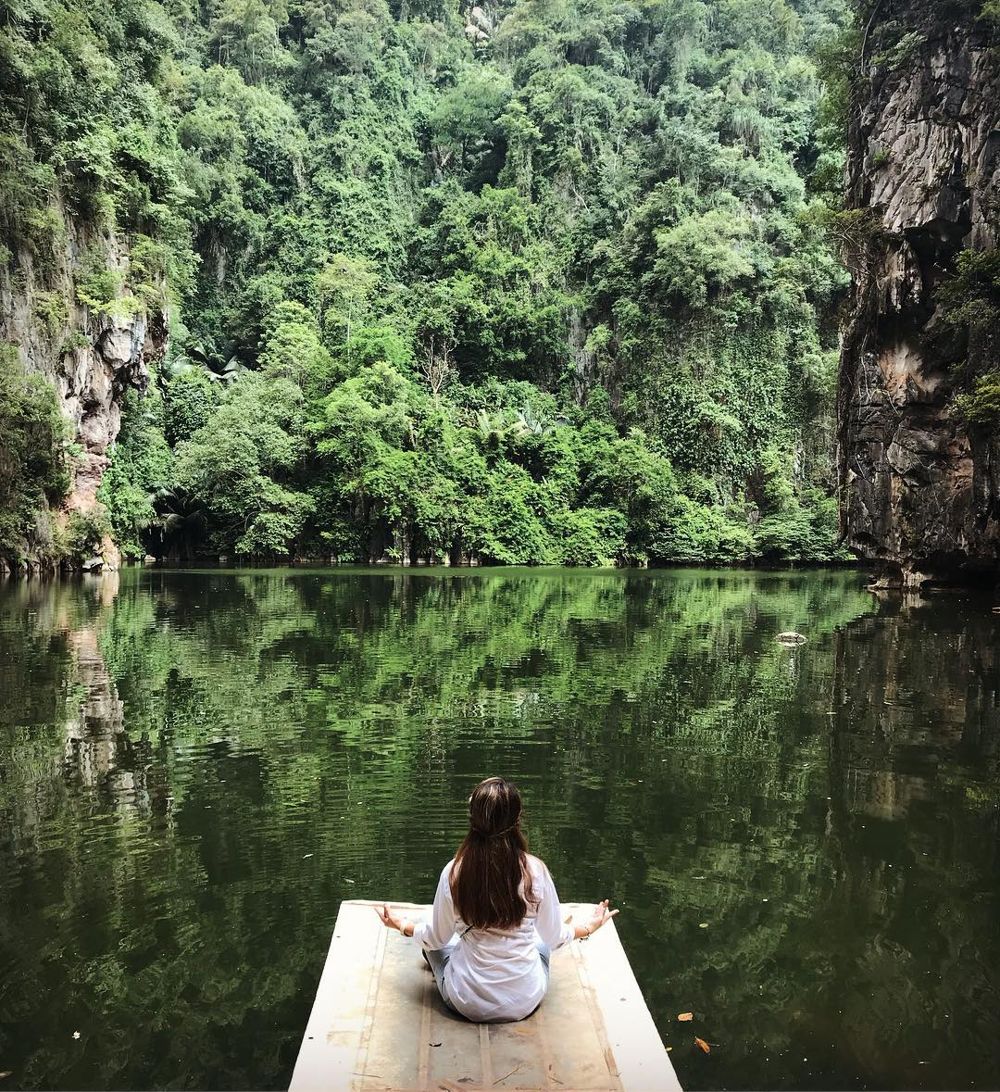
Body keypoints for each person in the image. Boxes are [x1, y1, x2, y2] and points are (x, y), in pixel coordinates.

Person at [375, 776, 618, 1022]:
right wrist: (589, 927)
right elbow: (555, 939)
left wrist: (402, 925)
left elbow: (435, 938)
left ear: (472, 819)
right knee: (542, 941)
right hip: (524, 999)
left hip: (466, 1000)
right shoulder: (535, 872)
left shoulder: (454, 872)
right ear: (517, 819)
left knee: (433, 942)